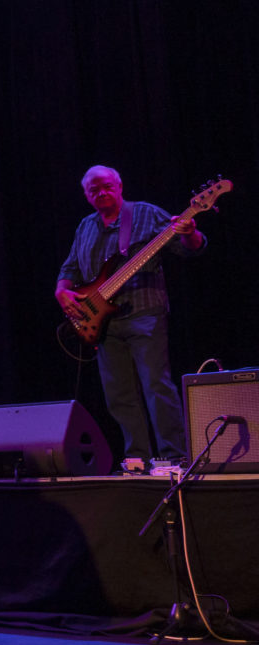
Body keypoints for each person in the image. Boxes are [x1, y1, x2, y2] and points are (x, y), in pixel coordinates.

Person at [55, 165, 205, 466]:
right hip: (104, 322)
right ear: (86, 196)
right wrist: (62, 291)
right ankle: (137, 458)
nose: (101, 192)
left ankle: (174, 457)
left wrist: (190, 232)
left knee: (156, 386)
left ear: (120, 186)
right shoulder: (85, 226)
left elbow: (190, 249)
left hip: (144, 312)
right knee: (119, 394)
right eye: (94, 190)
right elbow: (70, 268)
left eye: (107, 186)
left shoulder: (146, 213)